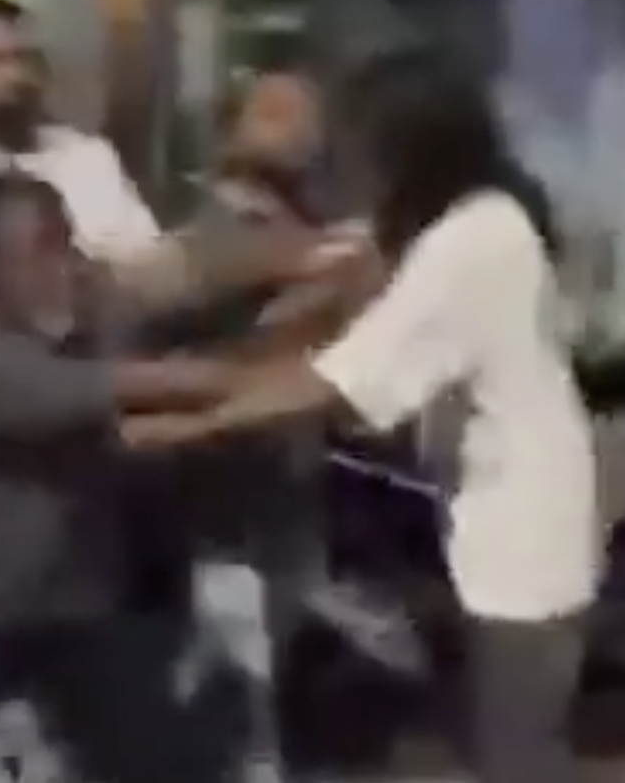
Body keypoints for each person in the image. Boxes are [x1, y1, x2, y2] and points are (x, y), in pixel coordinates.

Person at [125, 46, 600, 783]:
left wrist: (186, 422)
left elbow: (338, 378)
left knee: (517, 752)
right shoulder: (471, 220)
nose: (337, 144)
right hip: (508, 518)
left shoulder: (468, 243)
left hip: (521, 535)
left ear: (414, 146)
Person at [0, 0, 323, 580]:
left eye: (23, 57)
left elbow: (149, 274)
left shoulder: (87, 157)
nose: (14, 74)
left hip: (113, 434)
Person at [0, 168, 228, 783]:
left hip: (86, 608)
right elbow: (141, 383)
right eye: (37, 252)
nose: (62, 266)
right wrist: (263, 380)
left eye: (65, 242)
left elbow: (204, 273)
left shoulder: (96, 315)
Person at [150, 71, 334, 783]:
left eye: (307, 114)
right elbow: (173, 288)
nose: (298, 129)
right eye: (276, 112)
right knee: (232, 655)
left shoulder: (308, 218)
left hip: (288, 473)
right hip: (221, 482)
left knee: (264, 645)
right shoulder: (202, 217)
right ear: (232, 129)